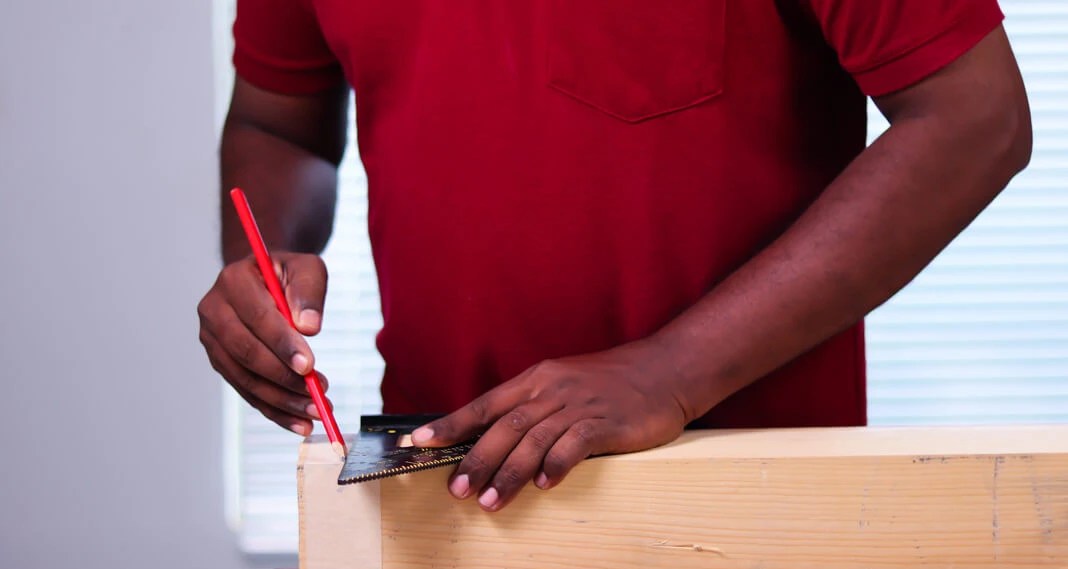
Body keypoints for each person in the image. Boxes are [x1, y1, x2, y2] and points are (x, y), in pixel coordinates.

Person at [198, 0, 1031, 513]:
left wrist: (666, 373)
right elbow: (280, 124)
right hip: (440, 486)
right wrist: (264, 264)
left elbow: (974, 121)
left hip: (749, 501)